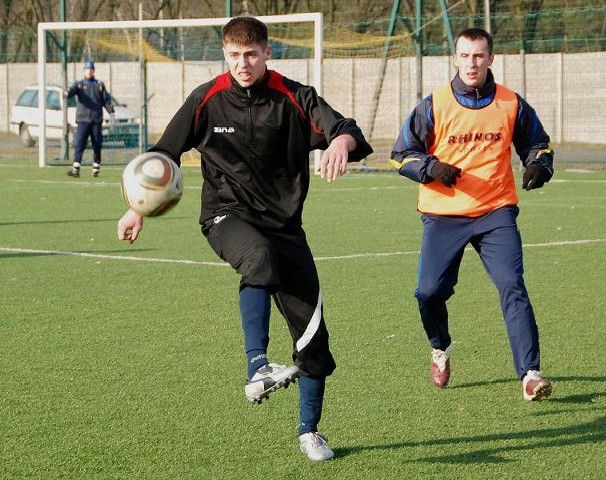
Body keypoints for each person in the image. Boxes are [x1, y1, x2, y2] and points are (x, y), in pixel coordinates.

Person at [117, 16, 372, 460]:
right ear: (224, 55)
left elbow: (347, 128)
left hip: (286, 229)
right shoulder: (207, 99)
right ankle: (257, 365)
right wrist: (136, 208)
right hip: (225, 216)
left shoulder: (295, 97)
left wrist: (338, 144)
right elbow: (164, 152)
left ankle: (310, 432)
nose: (242, 64)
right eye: (234, 56)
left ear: (268, 52)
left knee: (313, 342)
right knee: (257, 257)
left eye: (251, 54)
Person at [390, 28, 553, 401]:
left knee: (512, 286)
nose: (472, 63)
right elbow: (401, 155)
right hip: (443, 214)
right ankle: (440, 346)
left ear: (491, 59)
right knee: (429, 293)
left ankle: (529, 373)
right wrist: (431, 168)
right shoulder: (434, 104)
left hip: (495, 211)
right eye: (465, 55)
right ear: (455, 58)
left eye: (479, 56)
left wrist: (539, 167)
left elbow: (538, 144)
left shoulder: (512, 103)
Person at [65, 60, 115, 178]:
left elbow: (106, 100)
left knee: (97, 144)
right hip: (83, 120)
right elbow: (72, 91)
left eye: (91, 69)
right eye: (87, 69)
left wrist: (111, 112)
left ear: (94, 71)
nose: (89, 71)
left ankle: (96, 167)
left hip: (96, 121)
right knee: (79, 143)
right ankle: (76, 168)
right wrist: (66, 93)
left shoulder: (99, 85)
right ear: (84, 70)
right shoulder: (79, 84)